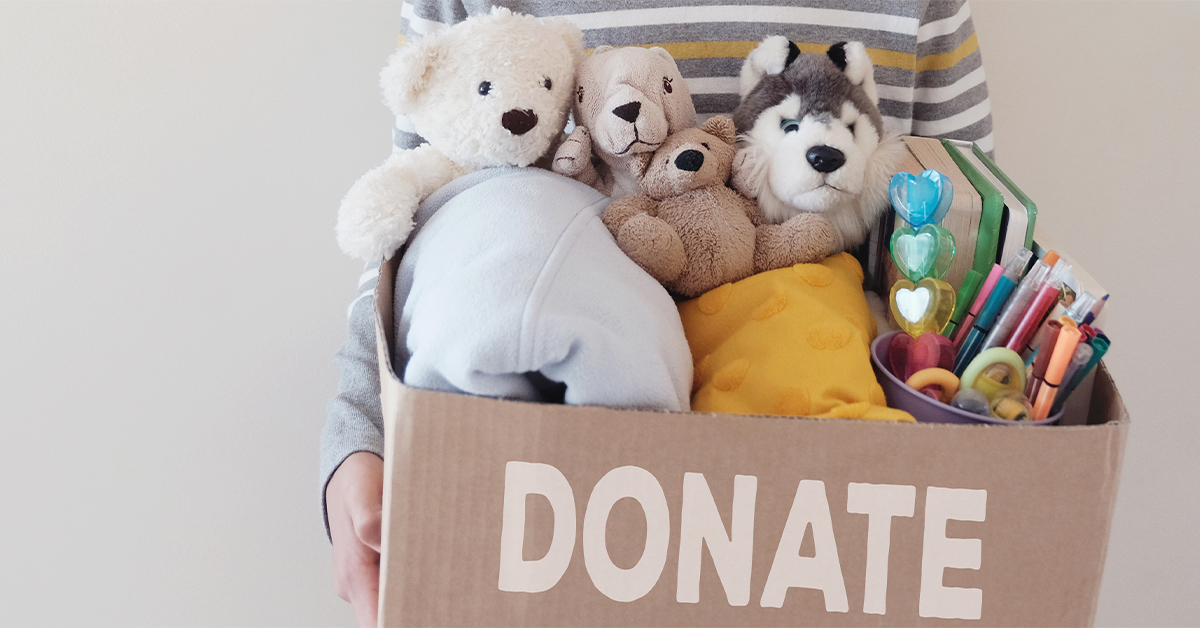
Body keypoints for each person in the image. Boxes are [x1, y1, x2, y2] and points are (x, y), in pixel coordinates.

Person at [321, 1, 994, 624]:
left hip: (831, 512)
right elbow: (411, 216)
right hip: (542, 507)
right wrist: (360, 435)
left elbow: (974, 238)